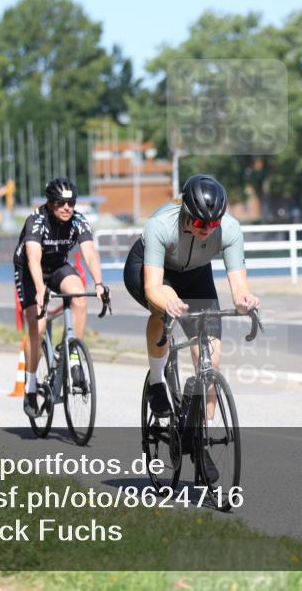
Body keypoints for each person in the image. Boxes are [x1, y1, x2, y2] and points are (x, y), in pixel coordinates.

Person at [124, 175, 260, 422]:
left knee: (211, 361)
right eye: (199, 221)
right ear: (185, 211)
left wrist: (245, 301)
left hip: (196, 274)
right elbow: (153, 287)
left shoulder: (229, 229)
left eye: (213, 223)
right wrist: (167, 302)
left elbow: (240, 288)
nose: (206, 229)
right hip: (153, 270)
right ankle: (157, 382)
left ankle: (201, 436)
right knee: (163, 311)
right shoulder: (160, 225)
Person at [14, 177, 108, 417]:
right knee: (38, 324)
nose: (67, 207)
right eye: (60, 203)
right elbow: (33, 259)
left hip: (57, 266)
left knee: (79, 296)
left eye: (71, 202)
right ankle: (31, 385)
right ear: (49, 203)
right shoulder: (36, 222)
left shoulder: (78, 220)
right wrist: (39, 288)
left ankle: (73, 355)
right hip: (29, 271)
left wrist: (99, 283)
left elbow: (90, 254)